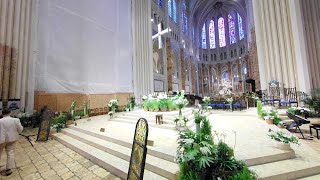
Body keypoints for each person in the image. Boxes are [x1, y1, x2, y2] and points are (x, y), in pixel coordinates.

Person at [0, 109, 23, 176]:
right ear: (10, 113)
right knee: (10, 153)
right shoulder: (16, 120)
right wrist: (15, 133)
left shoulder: (0, 121)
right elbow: (20, 129)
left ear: (2, 114)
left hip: (1, 140)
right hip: (12, 139)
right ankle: (8, 169)